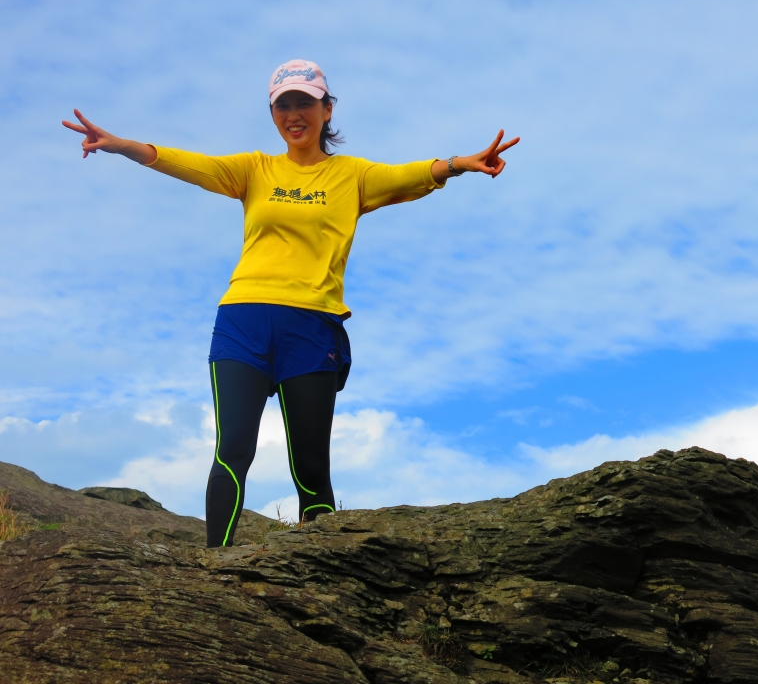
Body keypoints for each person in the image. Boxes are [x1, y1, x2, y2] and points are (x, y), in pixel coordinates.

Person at [63, 59, 519, 547]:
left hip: (312, 328)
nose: (294, 114)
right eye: (284, 105)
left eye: (305, 102)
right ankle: (215, 567)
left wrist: (458, 164)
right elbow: (183, 162)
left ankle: (319, 576)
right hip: (243, 322)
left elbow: (411, 175)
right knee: (232, 449)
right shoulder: (253, 169)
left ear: (327, 109)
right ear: (274, 113)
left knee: (310, 464)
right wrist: (121, 146)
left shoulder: (353, 176)